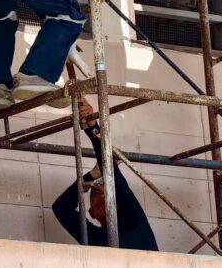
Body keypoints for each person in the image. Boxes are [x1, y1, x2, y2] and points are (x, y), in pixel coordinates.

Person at [52, 97, 158, 251]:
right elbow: (61, 208)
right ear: (91, 213)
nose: (101, 196)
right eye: (95, 194)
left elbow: (112, 172)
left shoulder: (134, 221)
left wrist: (92, 127)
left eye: (105, 192)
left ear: (118, 202)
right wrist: (93, 174)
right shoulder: (94, 238)